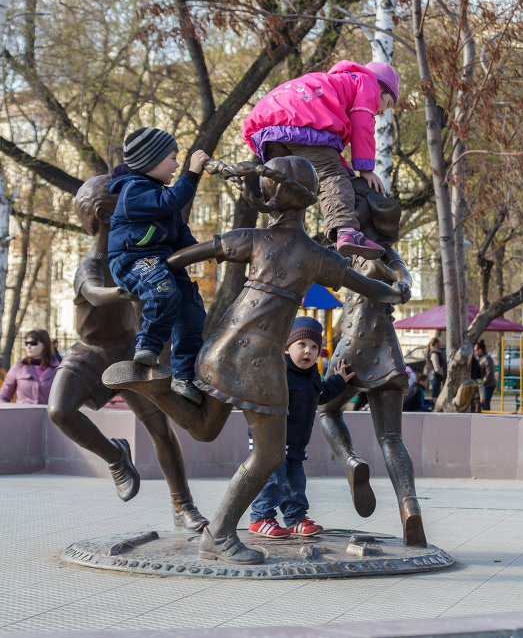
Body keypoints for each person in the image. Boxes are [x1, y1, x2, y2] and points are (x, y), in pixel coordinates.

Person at [104, 155, 410, 565]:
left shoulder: (252, 237)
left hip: (220, 348)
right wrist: (398, 287)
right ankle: (221, 534)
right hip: (260, 362)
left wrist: (139, 282)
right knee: (268, 454)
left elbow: (188, 256)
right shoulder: (318, 256)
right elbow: (373, 289)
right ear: (309, 199)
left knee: (208, 427)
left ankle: (157, 388)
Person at [48, 175, 207, 530]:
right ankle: (116, 456)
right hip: (89, 353)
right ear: (107, 216)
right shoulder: (90, 266)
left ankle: (183, 506)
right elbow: (93, 292)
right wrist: (126, 289)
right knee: (59, 410)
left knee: (160, 430)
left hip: (129, 353)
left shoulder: (134, 254)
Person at [318, 176, 427, 546]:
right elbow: (404, 284)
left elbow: (323, 268)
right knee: (391, 436)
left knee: (327, 411)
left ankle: (350, 461)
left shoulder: (347, 252)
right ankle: (409, 506)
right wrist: (396, 286)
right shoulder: (386, 255)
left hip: (352, 348)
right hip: (389, 353)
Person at [242, 60, 399, 259]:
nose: (382, 111)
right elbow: (362, 125)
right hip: (303, 117)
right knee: (330, 176)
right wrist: (365, 169)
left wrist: (347, 174)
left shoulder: (335, 85)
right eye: (388, 103)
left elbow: (326, 154)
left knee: (291, 186)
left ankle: (279, 236)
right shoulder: (367, 83)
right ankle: (346, 229)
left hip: (271, 122)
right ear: (381, 88)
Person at [107, 127, 210, 405]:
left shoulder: (162, 197)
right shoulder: (134, 191)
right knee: (164, 291)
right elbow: (173, 199)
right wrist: (192, 173)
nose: (177, 165)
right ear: (151, 159)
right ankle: (148, 346)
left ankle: (184, 375)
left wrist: (204, 250)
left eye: (178, 160)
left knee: (192, 310)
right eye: (173, 158)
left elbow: (180, 233)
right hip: (132, 260)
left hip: (162, 262)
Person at [249, 317, 354, 538]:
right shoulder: (278, 373)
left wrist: (338, 381)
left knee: (296, 483)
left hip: (296, 444)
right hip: (271, 441)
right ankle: (260, 518)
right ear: (287, 348)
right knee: (273, 480)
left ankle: (296, 518)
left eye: (314, 347)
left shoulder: (311, 375)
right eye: (302, 344)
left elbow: (321, 395)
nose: (308, 351)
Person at [0, 329, 59, 404]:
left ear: (45, 345)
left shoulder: (57, 369)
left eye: (33, 343)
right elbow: (3, 397)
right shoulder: (18, 367)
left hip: (47, 415)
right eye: (26, 343)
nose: (28, 346)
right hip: (22, 415)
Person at [474, 340, 496, 411]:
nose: (475, 352)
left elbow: (489, 372)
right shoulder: (480, 358)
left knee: (485, 402)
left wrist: (482, 383)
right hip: (483, 384)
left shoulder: (487, 359)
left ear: (480, 350)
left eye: (476, 350)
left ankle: (487, 418)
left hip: (488, 384)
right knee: (482, 403)